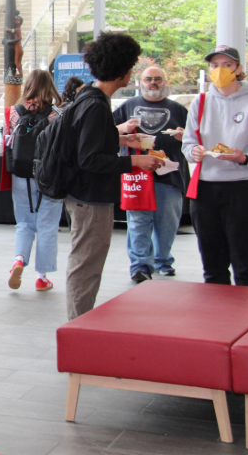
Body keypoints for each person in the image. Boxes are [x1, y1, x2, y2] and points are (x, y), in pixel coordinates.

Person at [64, 33, 164, 321]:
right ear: (123, 70)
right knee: (87, 265)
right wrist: (136, 159)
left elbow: (86, 143)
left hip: (81, 194)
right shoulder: (96, 105)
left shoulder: (89, 96)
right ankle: (78, 329)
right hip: (90, 197)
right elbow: (89, 158)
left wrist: (121, 141)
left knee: (85, 261)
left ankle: (78, 325)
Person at [182, 46, 248, 287]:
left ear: (238, 69)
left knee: (245, 264)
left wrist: (244, 158)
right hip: (206, 190)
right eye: (214, 66)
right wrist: (193, 152)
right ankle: (218, 321)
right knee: (213, 267)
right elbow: (188, 144)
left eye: (226, 65)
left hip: (245, 189)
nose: (220, 70)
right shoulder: (201, 101)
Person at [113, 66, 188, 282]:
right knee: (138, 222)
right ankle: (140, 266)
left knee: (168, 223)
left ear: (165, 81)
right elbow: (106, 132)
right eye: (148, 79)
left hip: (170, 176)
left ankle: (163, 260)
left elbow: (195, 140)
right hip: (136, 175)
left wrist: (185, 137)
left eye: (157, 79)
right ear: (140, 82)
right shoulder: (127, 106)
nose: (152, 83)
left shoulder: (178, 109)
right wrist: (123, 127)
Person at [0, 70, 64, 292]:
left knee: (25, 223)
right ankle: (42, 277)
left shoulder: (12, 112)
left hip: (21, 173)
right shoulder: (58, 113)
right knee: (47, 225)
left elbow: (7, 141)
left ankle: (19, 259)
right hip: (50, 175)